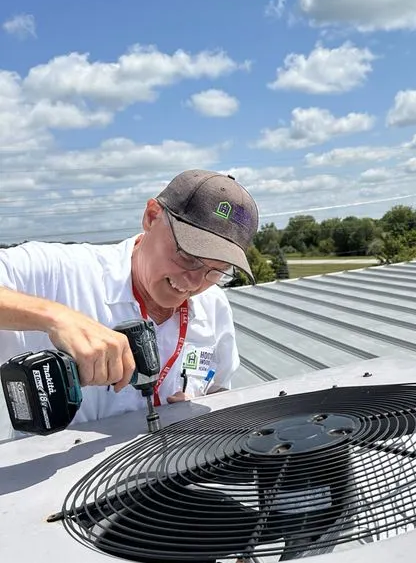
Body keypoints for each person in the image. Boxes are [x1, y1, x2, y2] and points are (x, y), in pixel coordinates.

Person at [0, 170, 259, 436]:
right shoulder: (58, 272)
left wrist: (200, 412)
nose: (194, 282)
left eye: (216, 271)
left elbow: (219, 389)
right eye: (189, 257)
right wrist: (56, 317)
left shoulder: (213, 304)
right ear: (152, 217)